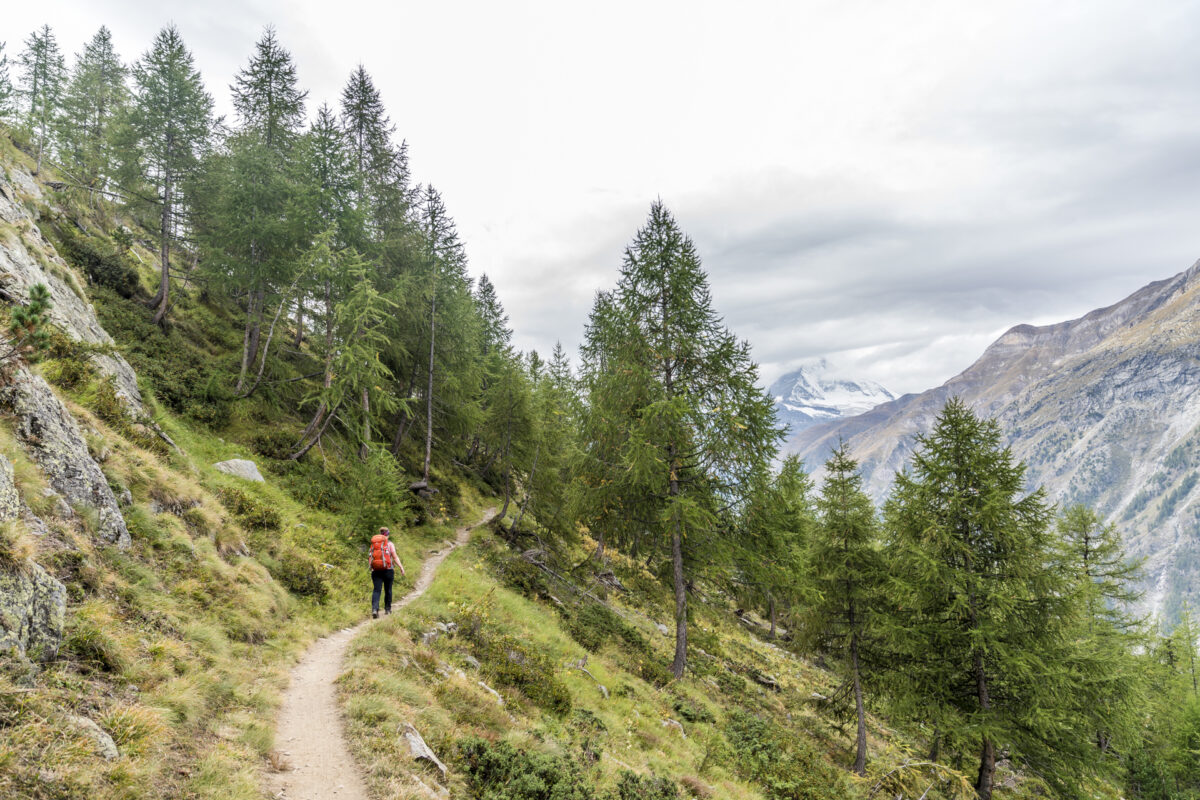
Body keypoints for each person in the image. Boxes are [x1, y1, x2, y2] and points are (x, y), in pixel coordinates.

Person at [369, 527, 405, 618]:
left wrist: (371, 568)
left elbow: (371, 557)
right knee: (388, 590)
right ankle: (387, 610)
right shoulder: (389, 544)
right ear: (387, 535)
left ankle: (374, 609)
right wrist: (401, 567)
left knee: (376, 590)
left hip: (376, 570)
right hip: (388, 570)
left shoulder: (374, 544)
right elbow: (395, 557)